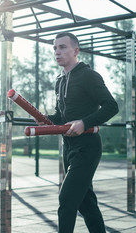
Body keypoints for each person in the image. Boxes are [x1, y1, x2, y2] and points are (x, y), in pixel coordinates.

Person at [45, 32, 119, 233]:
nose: (57, 52)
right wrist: (44, 119)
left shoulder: (89, 76)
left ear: (76, 50)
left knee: (67, 199)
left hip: (88, 147)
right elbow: (60, 117)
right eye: (55, 48)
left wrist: (84, 123)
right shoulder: (60, 81)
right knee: (86, 203)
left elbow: (112, 106)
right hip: (68, 147)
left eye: (62, 47)